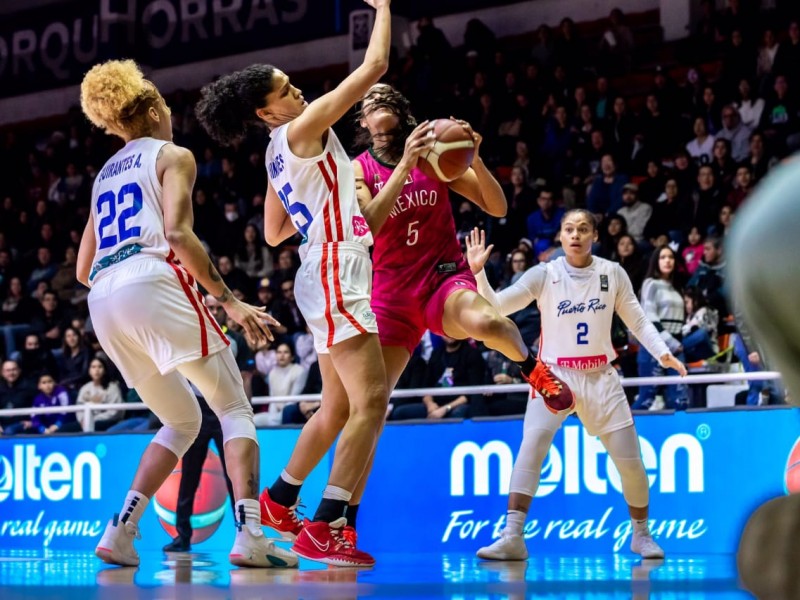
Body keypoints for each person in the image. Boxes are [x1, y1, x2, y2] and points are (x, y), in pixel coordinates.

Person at [195, 0, 400, 567]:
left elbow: (272, 230)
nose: (298, 93)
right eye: (285, 91)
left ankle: (281, 501)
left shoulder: (274, 152)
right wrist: (383, 7)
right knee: (372, 401)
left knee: (335, 408)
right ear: (266, 112)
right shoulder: (302, 129)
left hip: (322, 266)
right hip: (336, 266)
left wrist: (325, 198)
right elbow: (375, 66)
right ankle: (326, 523)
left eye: (291, 85)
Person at [77, 59, 295, 569]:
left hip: (104, 299)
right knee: (235, 409)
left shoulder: (103, 176)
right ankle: (250, 536)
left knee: (181, 419)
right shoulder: (173, 154)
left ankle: (123, 530)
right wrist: (229, 300)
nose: (172, 115)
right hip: (151, 280)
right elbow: (177, 235)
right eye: (168, 108)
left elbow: (84, 267)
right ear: (153, 111)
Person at [464, 213, 687, 561]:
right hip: (553, 376)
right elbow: (497, 306)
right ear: (561, 237)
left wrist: (663, 354)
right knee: (531, 449)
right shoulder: (544, 273)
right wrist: (478, 272)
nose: (576, 235)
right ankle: (512, 536)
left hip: (601, 375)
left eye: (583, 229)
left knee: (631, 463)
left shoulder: (612, 272)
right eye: (569, 229)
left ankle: (641, 534)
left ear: (595, 235)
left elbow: (638, 320)